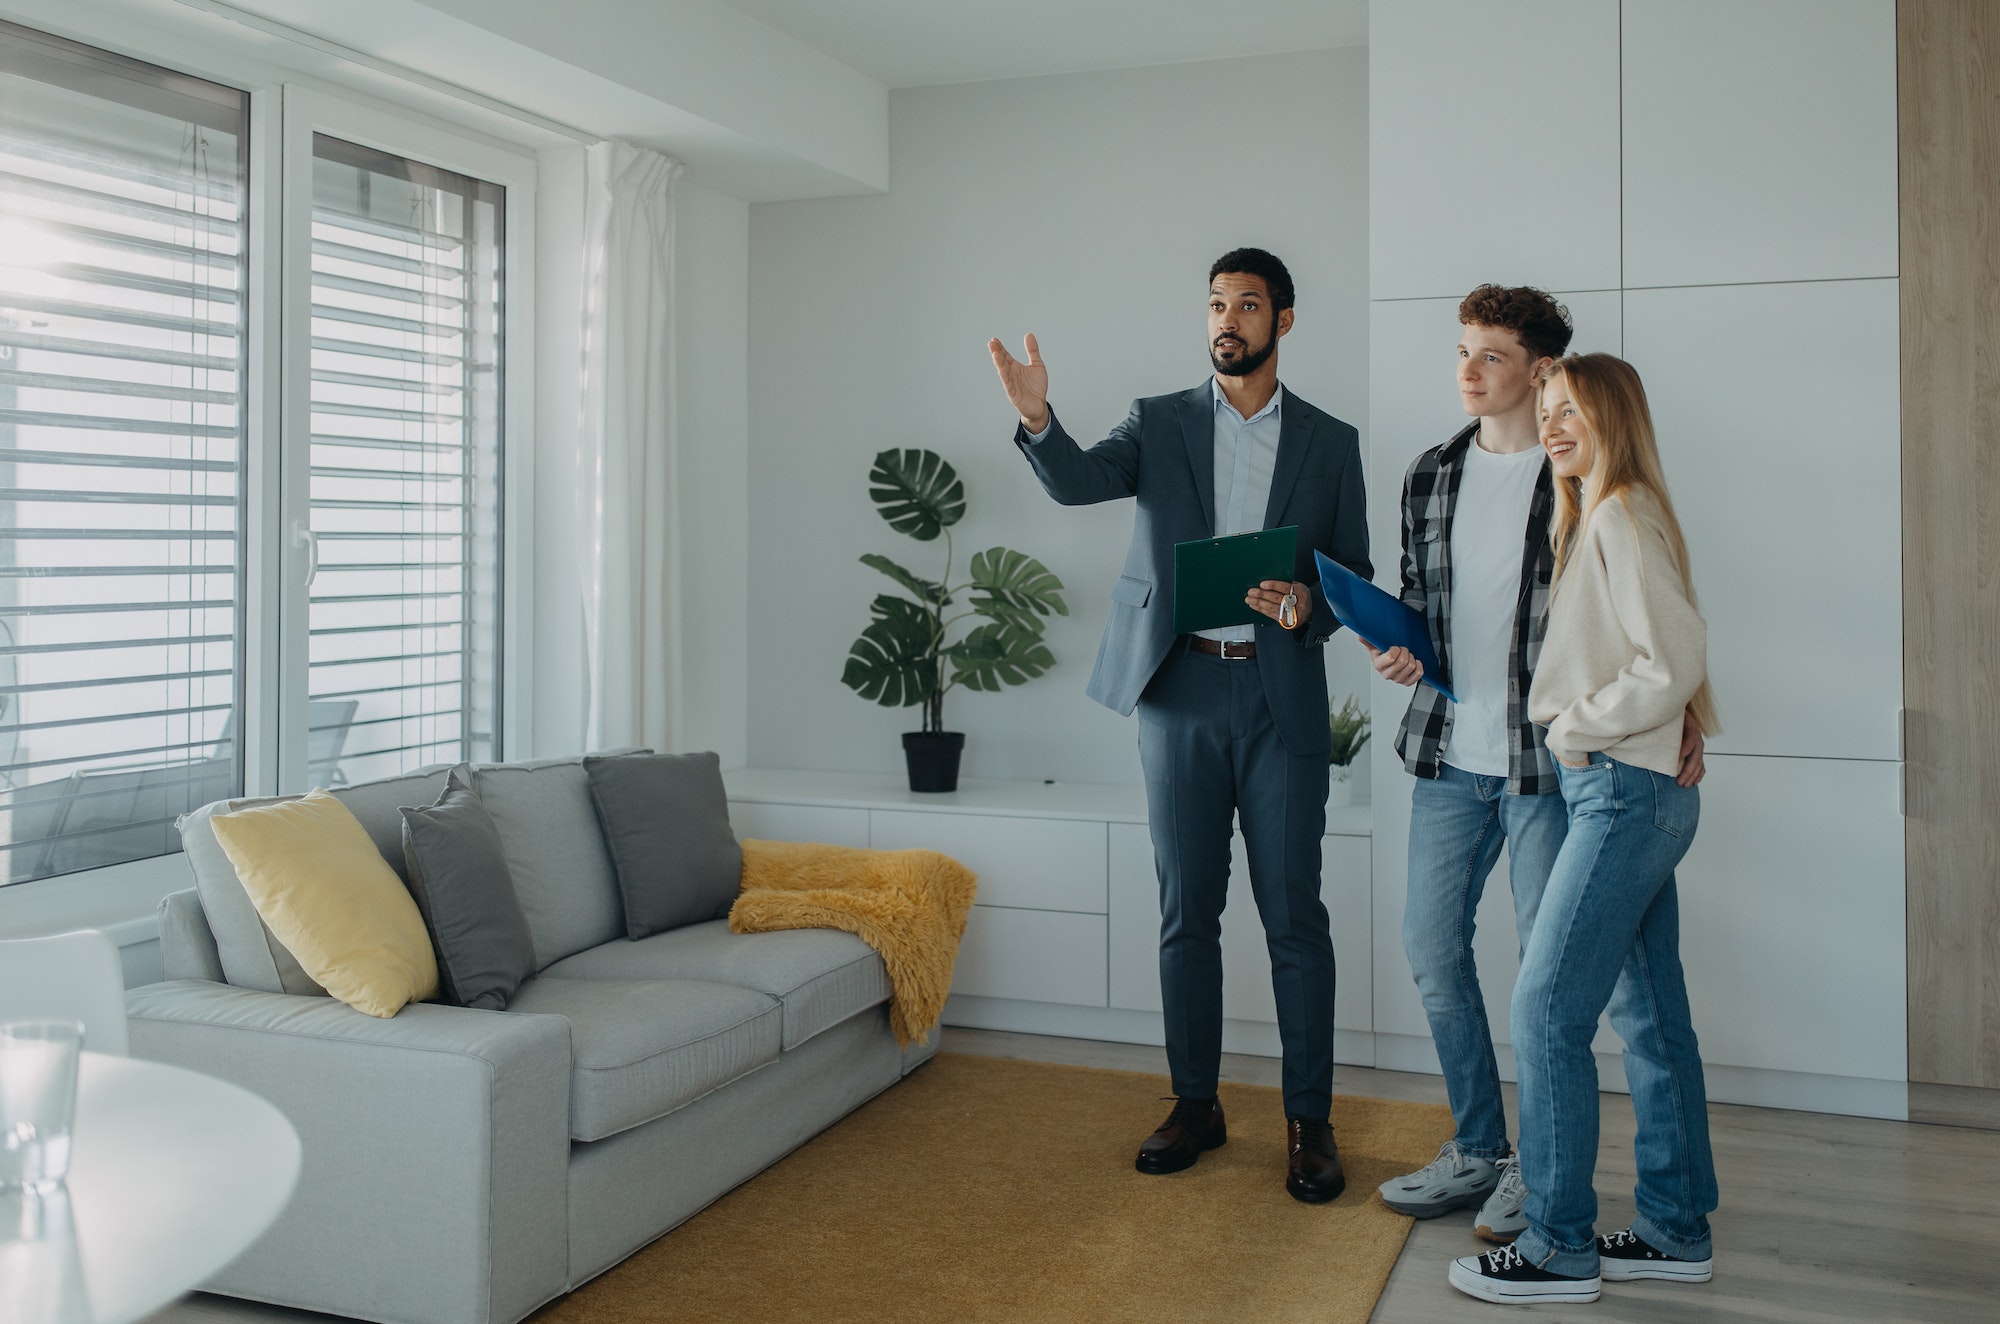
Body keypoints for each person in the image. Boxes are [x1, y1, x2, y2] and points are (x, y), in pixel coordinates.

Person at [987, 248, 1370, 1202]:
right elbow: (1077, 482)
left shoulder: (1330, 441)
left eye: (1246, 305)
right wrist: (1037, 416)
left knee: (1295, 918)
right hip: (1178, 693)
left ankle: (1308, 1122)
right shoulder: (1158, 421)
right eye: (1215, 305)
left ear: (1283, 319)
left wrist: (1303, 611)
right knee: (1184, 912)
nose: (1226, 320)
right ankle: (1195, 1105)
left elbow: (1350, 581)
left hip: (1280, 701)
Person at [1371, 289, 1706, 1245]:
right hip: (1447, 750)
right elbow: (1420, 595)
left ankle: (1550, 1188)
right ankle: (1483, 1149)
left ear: (1543, 367)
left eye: (1492, 356)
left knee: (1550, 984)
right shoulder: (1430, 473)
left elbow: (1643, 615)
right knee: (1433, 953)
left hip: (1547, 768)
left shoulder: (1581, 478)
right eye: (1462, 352)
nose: (1469, 372)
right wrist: (1398, 644)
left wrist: (1674, 715)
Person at [1448, 353, 1721, 1305]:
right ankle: (1676, 1228)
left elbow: (1674, 654)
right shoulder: (1612, 510)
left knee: (1546, 1009)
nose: (1554, 425)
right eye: (1548, 410)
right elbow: (1662, 653)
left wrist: (1574, 727)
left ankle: (1559, 1246)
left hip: (1619, 794)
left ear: (1614, 417)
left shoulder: (1615, 512)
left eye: (1572, 412)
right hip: (1637, 791)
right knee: (1647, 1015)